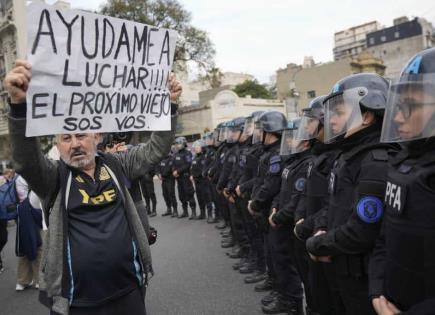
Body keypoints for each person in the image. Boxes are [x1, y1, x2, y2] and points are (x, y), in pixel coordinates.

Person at [4, 59, 181, 315]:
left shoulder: (119, 164)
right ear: (58, 143)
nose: (75, 143)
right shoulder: (53, 177)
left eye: (81, 135)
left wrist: (171, 105)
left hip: (129, 292)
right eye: (66, 137)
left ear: (96, 136)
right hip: (78, 302)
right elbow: (26, 160)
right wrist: (19, 106)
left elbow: (157, 148)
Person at [305, 73, 398, 315]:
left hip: (362, 277)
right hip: (342, 265)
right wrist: (320, 228)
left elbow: (363, 231)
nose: (331, 120)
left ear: (367, 115)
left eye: (339, 112)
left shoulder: (375, 160)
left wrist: (319, 244)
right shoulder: (349, 155)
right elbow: (333, 203)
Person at [370, 47, 435, 314]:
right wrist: (377, 290)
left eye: (409, 106)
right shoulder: (406, 163)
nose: (396, 117)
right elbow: (385, 237)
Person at [247, 111, 288, 297]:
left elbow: (270, 185)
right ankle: (274, 284)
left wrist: (256, 203)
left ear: (269, 131)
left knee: (279, 256)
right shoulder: (268, 153)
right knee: (270, 251)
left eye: (261, 130)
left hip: (271, 210)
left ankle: (285, 295)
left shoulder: (276, 154)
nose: (258, 133)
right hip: (264, 211)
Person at [172, 136, 197, 219]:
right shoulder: (176, 154)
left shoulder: (187, 153)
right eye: (176, 144)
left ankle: (193, 212)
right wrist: (174, 171)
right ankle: (185, 211)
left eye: (178, 144)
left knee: (189, 193)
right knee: (181, 195)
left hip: (185, 177)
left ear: (183, 144)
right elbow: (173, 165)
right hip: (179, 178)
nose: (177, 145)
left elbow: (188, 164)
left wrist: (178, 171)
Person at [190, 140, 213, 220]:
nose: (196, 149)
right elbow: (193, 168)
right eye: (195, 147)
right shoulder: (195, 157)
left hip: (204, 180)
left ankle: (210, 215)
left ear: (202, 147)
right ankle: (202, 213)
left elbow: (203, 170)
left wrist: (196, 175)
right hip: (197, 181)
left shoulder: (204, 157)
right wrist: (192, 175)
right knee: (199, 197)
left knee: (207, 197)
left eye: (197, 147)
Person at [157, 150, 178, 217]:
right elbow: (157, 167)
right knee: (165, 194)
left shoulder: (171, 158)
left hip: (170, 179)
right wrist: (159, 174)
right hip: (163, 179)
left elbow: (170, 169)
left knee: (171, 194)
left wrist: (163, 174)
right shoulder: (161, 159)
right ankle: (169, 209)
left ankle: (175, 210)